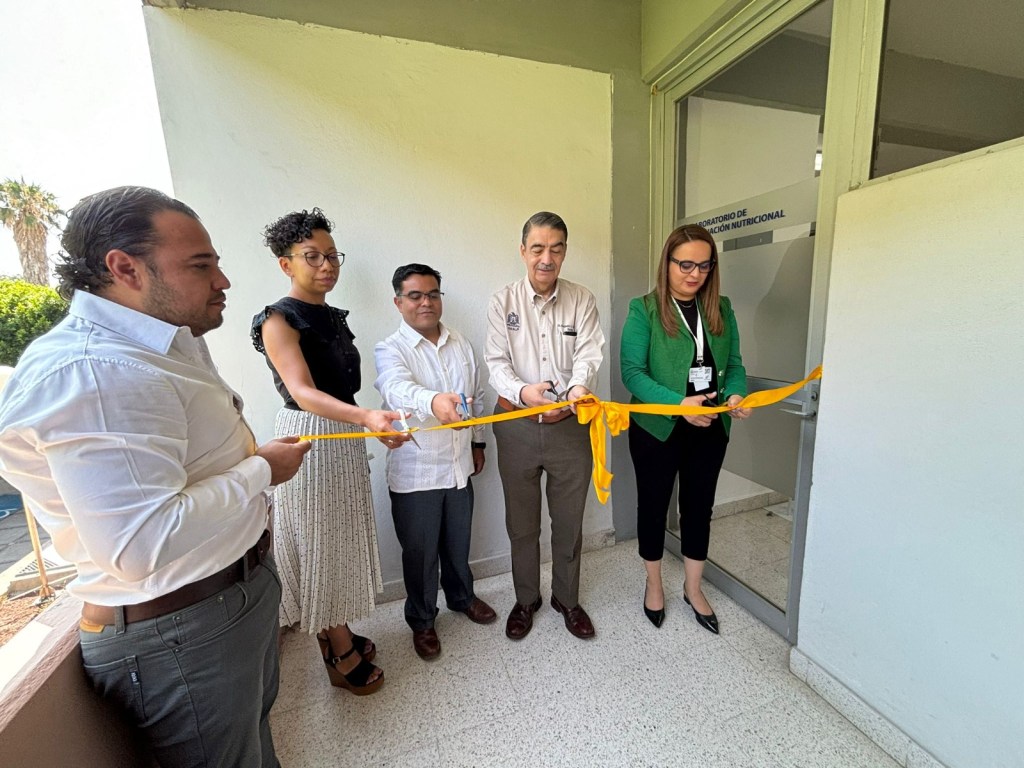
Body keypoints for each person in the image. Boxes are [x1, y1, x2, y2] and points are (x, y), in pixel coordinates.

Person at [0, 186, 310, 767]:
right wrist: (261, 470)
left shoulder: (161, 343)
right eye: (200, 265)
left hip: (225, 599)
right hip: (181, 629)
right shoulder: (96, 374)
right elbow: (140, 545)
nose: (222, 280)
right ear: (125, 269)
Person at [252, 208, 405, 695]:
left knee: (339, 538)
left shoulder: (331, 316)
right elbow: (302, 391)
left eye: (332, 256)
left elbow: (343, 391)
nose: (326, 266)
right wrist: (365, 418)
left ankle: (334, 626)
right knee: (321, 541)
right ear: (286, 264)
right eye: (312, 256)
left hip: (342, 433)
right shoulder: (278, 319)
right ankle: (339, 650)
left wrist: (368, 423)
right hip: (309, 438)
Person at [620, 224, 751, 634]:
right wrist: (680, 405)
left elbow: (735, 365)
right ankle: (654, 584)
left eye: (704, 266)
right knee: (653, 506)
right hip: (657, 428)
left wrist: (736, 394)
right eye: (686, 265)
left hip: (710, 426)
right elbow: (632, 374)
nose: (695, 274)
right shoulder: (644, 309)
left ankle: (693, 589)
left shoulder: (721, 308)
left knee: (698, 509)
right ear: (668, 263)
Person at [485, 211, 605, 640]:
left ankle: (566, 599)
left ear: (565, 252)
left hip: (570, 426)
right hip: (515, 423)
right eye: (537, 248)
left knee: (569, 520)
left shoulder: (582, 299)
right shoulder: (502, 302)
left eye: (556, 249)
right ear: (523, 251)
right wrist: (523, 393)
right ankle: (526, 599)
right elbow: (496, 362)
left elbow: (589, 353)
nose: (546, 258)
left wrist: (577, 389)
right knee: (522, 523)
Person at [373, 263, 497, 660]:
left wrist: (478, 442)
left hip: (459, 466)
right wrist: (433, 401)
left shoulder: (461, 343)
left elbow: (477, 396)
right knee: (421, 554)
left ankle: (462, 598)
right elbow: (396, 389)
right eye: (415, 295)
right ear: (399, 302)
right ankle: (423, 619)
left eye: (432, 294)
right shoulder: (390, 349)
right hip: (417, 471)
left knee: (458, 544)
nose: (425, 302)